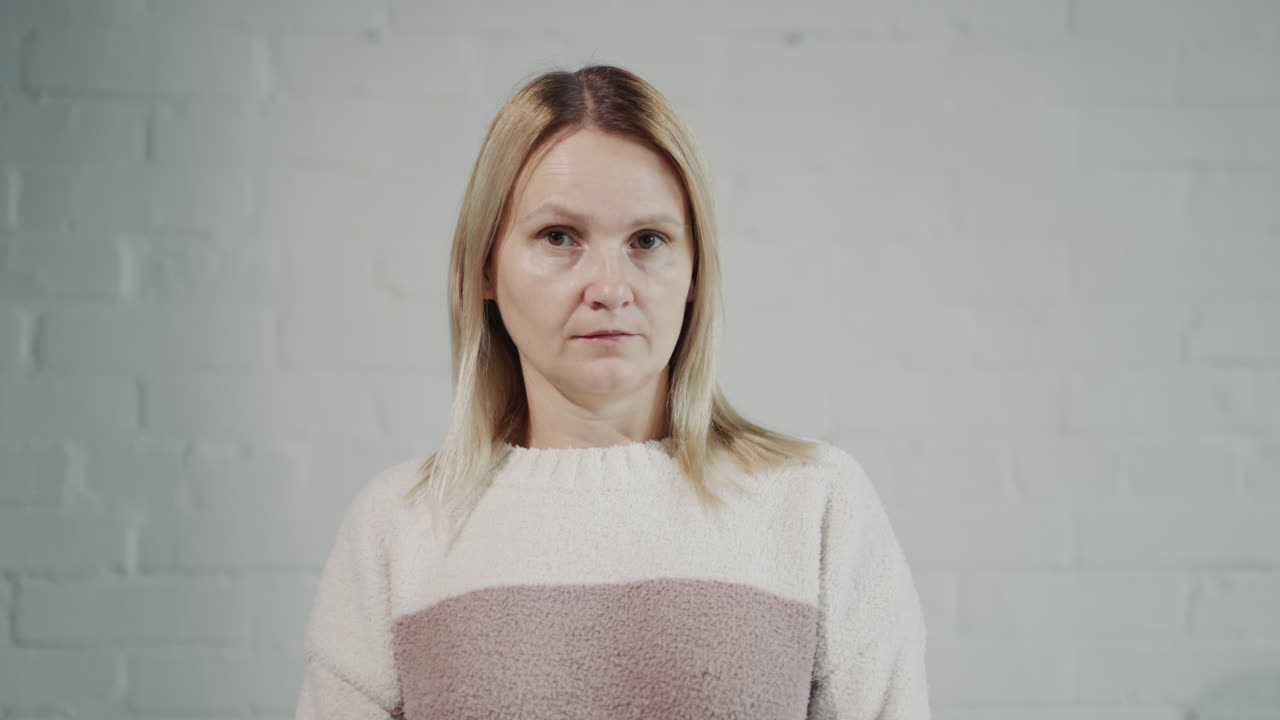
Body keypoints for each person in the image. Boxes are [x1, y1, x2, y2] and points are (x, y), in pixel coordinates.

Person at [294, 64, 930, 719]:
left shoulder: (817, 506)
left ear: (694, 272)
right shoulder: (397, 528)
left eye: (647, 241)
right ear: (483, 267)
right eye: (559, 237)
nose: (609, 286)